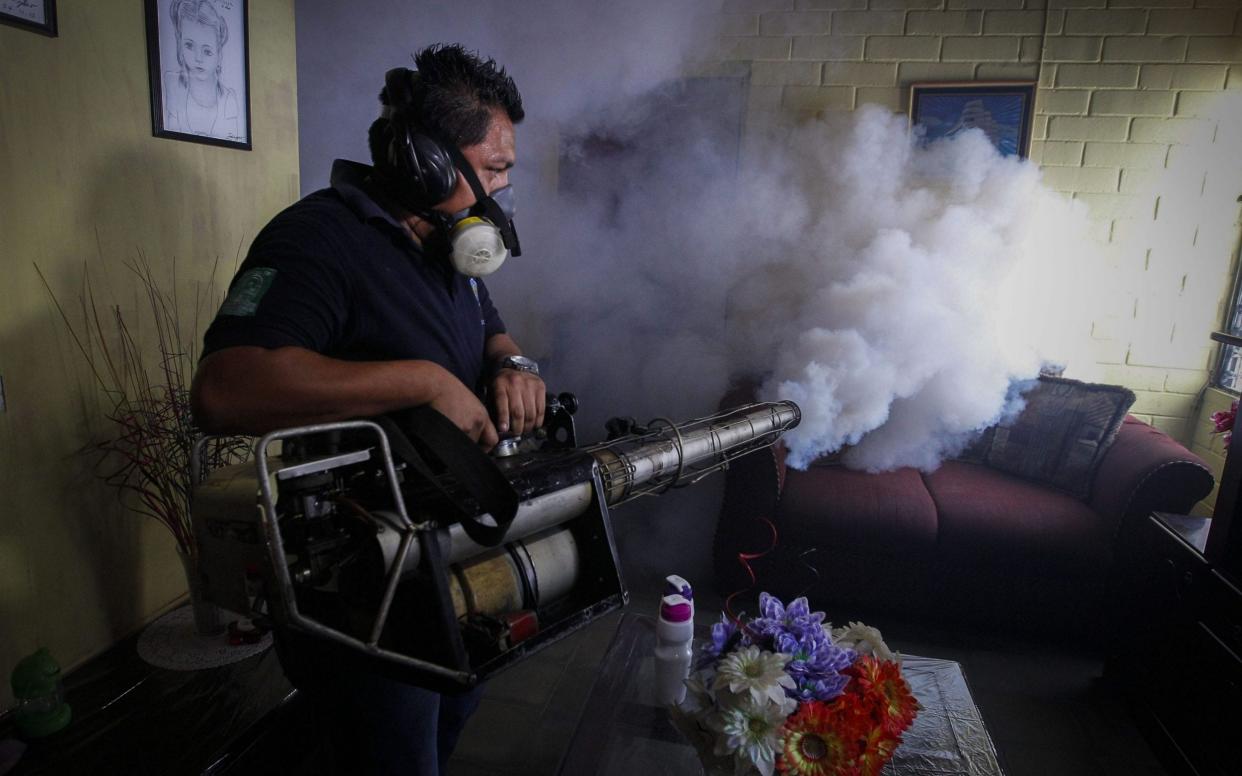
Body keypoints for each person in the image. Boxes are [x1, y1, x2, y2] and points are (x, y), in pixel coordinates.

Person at [191, 44, 545, 775]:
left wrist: (510, 362)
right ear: (426, 162)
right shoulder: (316, 239)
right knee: (394, 749)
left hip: (441, 548)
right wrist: (418, 380)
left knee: (449, 716)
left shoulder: (448, 242)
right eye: (495, 166)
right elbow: (226, 388)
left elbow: (486, 324)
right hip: (357, 568)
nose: (504, 185)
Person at [163, 0, 241, 140]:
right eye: (189, 46)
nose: (198, 58)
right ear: (180, 45)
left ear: (219, 55)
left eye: (207, 51)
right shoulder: (172, 84)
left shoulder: (228, 100)